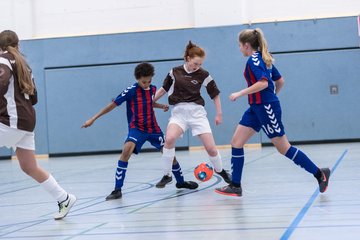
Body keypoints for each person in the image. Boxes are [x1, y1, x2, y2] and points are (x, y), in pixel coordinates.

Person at [215, 28, 330, 197]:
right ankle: (235, 185)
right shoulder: (264, 58)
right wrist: (272, 95)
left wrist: (240, 93)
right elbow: (280, 81)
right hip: (256, 107)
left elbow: (263, 83)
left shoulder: (255, 60)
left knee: (284, 148)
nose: (239, 49)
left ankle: (320, 174)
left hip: (266, 107)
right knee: (236, 142)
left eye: (239, 45)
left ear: (247, 45)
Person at [82, 62, 199, 201]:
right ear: (137, 79)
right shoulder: (131, 90)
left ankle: (180, 182)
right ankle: (117, 189)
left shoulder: (153, 89)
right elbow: (112, 105)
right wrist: (93, 119)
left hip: (153, 128)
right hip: (136, 128)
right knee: (126, 151)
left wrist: (161, 106)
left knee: (169, 154)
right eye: (144, 82)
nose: (147, 84)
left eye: (149, 81)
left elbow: (149, 103)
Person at [0, 30, 76, 220]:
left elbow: (1, 84)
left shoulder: (3, 60)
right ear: (18, 45)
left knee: (29, 166)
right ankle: (64, 197)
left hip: (12, 120)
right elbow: (34, 98)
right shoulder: (25, 65)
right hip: (26, 121)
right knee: (28, 166)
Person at [154, 41, 231, 188]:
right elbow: (163, 89)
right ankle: (167, 175)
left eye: (200, 64)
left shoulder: (204, 74)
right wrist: (151, 101)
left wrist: (219, 113)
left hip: (197, 114)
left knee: (211, 148)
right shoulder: (174, 72)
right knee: (169, 139)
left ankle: (221, 171)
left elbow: (215, 94)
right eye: (195, 63)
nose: (197, 66)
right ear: (188, 58)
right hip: (179, 113)